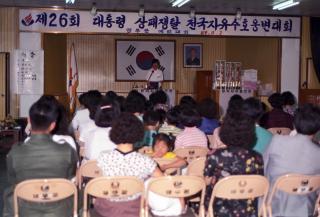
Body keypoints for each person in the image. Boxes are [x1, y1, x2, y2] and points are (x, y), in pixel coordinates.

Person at [94, 113, 183, 217]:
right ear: (138, 135)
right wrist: (180, 198)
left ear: (113, 133)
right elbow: (164, 183)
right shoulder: (145, 161)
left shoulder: (103, 157)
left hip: (107, 208)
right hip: (134, 209)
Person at [3, 100, 78, 217]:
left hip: (25, 209)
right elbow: (70, 177)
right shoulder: (67, 150)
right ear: (53, 125)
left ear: (29, 121)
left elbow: (13, 180)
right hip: (60, 209)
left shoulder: (15, 152)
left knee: (8, 191)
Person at [204, 108, 263, 217]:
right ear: (250, 132)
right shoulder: (257, 157)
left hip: (219, 209)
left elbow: (206, 181)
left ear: (225, 130)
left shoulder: (216, 156)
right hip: (248, 209)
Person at [264, 104, 320, 217]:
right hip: (306, 210)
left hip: (274, 207)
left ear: (294, 124)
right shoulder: (318, 153)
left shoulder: (277, 141)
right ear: (318, 128)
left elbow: (263, 169)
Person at [82, 96, 120, 161]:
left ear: (97, 115)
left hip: (90, 169)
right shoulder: (121, 134)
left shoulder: (90, 133)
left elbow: (85, 154)